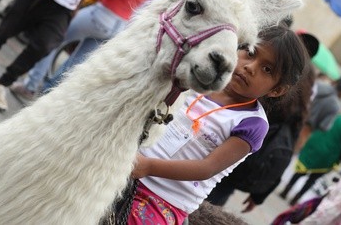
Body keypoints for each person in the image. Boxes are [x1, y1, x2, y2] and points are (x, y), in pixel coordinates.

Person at [124, 23, 308, 224]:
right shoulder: (197, 79)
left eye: (267, 69)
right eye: (251, 52)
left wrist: (148, 166)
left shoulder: (252, 123)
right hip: (128, 165)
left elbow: (207, 168)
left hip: (163, 199)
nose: (250, 67)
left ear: (277, 90)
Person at [10, 0, 163, 99]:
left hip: (102, 14)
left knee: (54, 39)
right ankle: (49, 95)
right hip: (118, 24)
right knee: (78, 62)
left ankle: (30, 86)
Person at [205, 53, 315, 212]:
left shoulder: (282, 72)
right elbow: (292, 136)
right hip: (245, 163)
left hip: (234, 150)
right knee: (212, 202)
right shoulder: (305, 75)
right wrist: (260, 195)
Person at [0, 0, 99, 111]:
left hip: (66, 5)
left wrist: (79, 3)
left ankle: (3, 83)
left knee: (43, 46)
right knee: (4, 31)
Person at [279, 108, 341, 205]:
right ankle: (295, 199)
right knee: (313, 178)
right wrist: (339, 160)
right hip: (328, 155)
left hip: (316, 144)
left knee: (301, 171)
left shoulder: (340, 117)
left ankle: (286, 190)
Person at [294, 75, 341, 153]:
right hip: (306, 131)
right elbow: (324, 127)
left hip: (294, 116)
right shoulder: (337, 106)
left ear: (336, 81)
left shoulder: (319, 85)